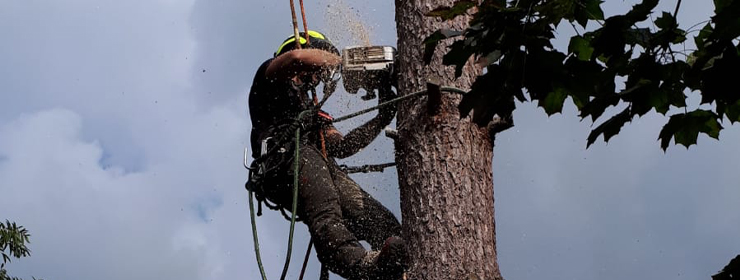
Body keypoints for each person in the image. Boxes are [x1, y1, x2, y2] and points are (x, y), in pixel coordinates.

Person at [247, 30, 408, 280]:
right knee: (326, 213)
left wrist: (382, 116)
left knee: (381, 222)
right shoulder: (270, 77)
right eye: (315, 70)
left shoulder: (312, 108)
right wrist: (341, 60)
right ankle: (360, 264)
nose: (318, 79)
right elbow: (296, 58)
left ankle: (398, 266)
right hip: (284, 158)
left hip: (317, 165)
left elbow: (342, 146)